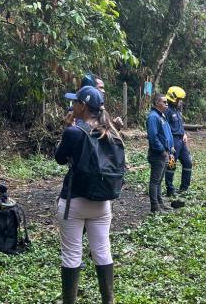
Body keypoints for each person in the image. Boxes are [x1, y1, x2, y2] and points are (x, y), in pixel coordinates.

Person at [55, 86, 121, 304]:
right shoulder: (111, 131)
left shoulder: (74, 131)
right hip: (103, 203)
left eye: (75, 102)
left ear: (82, 106)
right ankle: (108, 301)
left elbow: (60, 158)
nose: (72, 105)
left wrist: (67, 126)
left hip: (74, 201)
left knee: (72, 255)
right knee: (102, 251)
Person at [146, 93, 174, 212]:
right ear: (157, 103)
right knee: (155, 181)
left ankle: (160, 202)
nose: (167, 104)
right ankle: (154, 206)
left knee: (159, 180)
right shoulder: (153, 116)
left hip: (166, 152)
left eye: (167, 102)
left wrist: (171, 147)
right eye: (164, 102)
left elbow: (166, 133)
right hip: (158, 154)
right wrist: (162, 150)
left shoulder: (162, 116)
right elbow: (153, 136)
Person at [164, 86, 193, 196]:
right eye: (179, 100)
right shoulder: (167, 111)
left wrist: (184, 134)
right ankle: (170, 189)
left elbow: (180, 125)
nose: (181, 102)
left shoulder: (177, 110)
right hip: (173, 141)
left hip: (181, 141)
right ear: (174, 99)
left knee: (188, 163)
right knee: (171, 164)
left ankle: (184, 188)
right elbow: (165, 128)